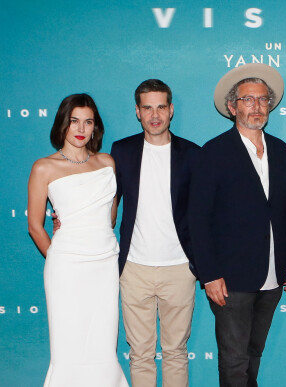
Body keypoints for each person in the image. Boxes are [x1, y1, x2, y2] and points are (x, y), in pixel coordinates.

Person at [188, 63, 286, 386]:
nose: (256, 106)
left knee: (253, 354)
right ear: (232, 106)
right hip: (230, 277)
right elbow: (198, 217)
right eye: (248, 100)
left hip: (272, 275)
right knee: (234, 360)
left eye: (263, 100)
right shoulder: (214, 152)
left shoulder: (281, 151)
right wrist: (208, 273)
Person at [27, 94, 129, 387]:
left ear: (95, 126)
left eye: (88, 121)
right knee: (68, 344)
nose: (81, 128)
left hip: (105, 262)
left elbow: (109, 218)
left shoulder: (107, 162)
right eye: (74, 121)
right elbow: (35, 225)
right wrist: (60, 257)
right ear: (63, 124)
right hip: (66, 267)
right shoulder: (43, 167)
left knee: (102, 344)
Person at [111, 79, 198, 386]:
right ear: (137, 112)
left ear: (171, 110)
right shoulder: (121, 152)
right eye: (147, 107)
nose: (155, 114)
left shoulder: (192, 154)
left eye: (161, 106)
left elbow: (203, 214)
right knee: (140, 354)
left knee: (175, 352)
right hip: (134, 268)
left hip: (179, 268)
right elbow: (109, 201)